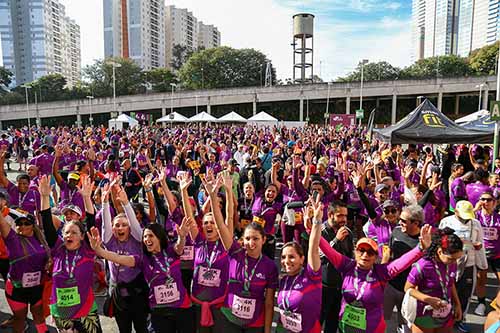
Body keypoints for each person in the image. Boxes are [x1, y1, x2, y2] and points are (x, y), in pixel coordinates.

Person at [317, 204, 432, 333]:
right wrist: (313, 227)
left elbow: (401, 263)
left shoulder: (381, 272)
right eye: (361, 250)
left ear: (376, 257)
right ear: (355, 252)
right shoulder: (347, 265)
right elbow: (326, 249)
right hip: (346, 327)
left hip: (372, 329)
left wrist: (420, 248)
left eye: (370, 252)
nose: (365, 255)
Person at [88, 215, 196, 333]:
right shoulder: (142, 260)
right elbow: (118, 257)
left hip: (182, 306)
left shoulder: (171, 251)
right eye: (144, 237)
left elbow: (180, 247)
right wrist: (99, 250)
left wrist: (182, 236)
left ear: (159, 237)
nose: (146, 239)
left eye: (150, 236)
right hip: (159, 310)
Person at [204, 174, 278, 333]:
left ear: (263, 240)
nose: (251, 243)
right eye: (247, 239)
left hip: (255, 323)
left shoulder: (270, 266)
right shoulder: (235, 253)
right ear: (242, 240)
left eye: (256, 239)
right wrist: (214, 195)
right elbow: (223, 223)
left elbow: (269, 302)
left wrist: (266, 330)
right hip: (229, 320)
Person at [39, 174, 103, 333]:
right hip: (62, 312)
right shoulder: (58, 248)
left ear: (82, 236)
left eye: (74, 233)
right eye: (67, 233)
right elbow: (47, 222)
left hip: (86, 311)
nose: (69, 236)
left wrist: (87, 198)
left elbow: (90, 219)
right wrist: (45, 196)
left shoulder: (87, 249)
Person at [101, 183, 148, 333]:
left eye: (124, 225)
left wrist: (126, 204)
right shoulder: (109, 241)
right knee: (124, 329)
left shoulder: (138, 239)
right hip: (119, 295)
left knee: (142, 328)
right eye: (117, 225)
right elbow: (105, 225)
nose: (120, 228)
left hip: (138, 293)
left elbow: (135, 224)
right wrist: (104, 202)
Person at [275, 195, 322, 332]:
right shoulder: (283, 280)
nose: (286, 261)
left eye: (292, 257)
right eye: (283, 257)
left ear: (302, 259)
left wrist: (317, 221)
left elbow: (313, 249)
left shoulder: (312, 277)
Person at [439, 200, 487, 333]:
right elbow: (440, 241)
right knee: (446, 292)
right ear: (456, 212)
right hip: (450, 263)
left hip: (469, 263)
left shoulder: (475, 224)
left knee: (465, 293)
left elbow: (480, 244)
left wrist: (482, 264)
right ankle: (445, 319)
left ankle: (460, 319)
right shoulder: (446, 222)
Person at [404, 228, 463, 333]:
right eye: (451, 258)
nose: (454, 262)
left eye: (457, 258)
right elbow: (408, 289)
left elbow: (450, 283)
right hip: (424, 315)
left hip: (445, 313)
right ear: (440, 251)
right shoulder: (423, 265)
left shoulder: (451, 264)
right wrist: (428, 299)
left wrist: (457, 304)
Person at [0, 212, 50, 333]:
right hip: (17, 289)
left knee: (39, 316)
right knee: (19, 319)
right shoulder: (13, 239)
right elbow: (2, 222)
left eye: (26, 223)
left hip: (37, 288)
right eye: (19, 223)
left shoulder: (41, 240)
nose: (22, 226)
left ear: (33, 225)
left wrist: (49, 262)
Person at [382, 205, 425, 333]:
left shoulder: (424, 242)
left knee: (405, 325)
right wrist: (381, 276)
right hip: (389, 286)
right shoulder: (396, 231)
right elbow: (388, 252)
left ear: (416, 223)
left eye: (403, 220)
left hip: (408, 293)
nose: (399, 222)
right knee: (380, 319)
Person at [319, 200, 354, 333]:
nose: (343, 219)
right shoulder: (321, 231)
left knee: (333, 323)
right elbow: (319, 255)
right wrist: (336, 240)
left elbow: (350, 258)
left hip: (341, 286)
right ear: (330, 215)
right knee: (318, 320)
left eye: (345, 216)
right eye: (340, 216)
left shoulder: (348, 233)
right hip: (323, 286)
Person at [474, 191, 500, 316]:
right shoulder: (475, 216)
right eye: (482, 199)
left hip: (497, 254)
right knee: (481, 280)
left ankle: (497, 303)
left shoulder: (498, 218)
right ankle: (481, 303)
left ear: (494, 202)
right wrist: (475, 209)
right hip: (481, 253)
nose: (485, 202)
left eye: (488, 200)